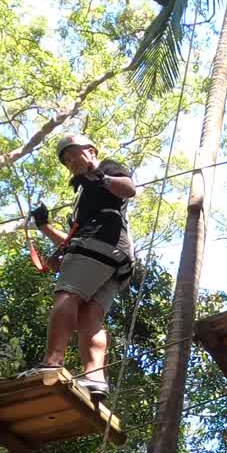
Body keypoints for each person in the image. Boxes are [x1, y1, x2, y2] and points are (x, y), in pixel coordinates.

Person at [20, 134, 137, 403]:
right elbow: (75, 238)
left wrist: (99, 175)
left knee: (67, 296)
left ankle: (52, 362)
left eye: (74, 154)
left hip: (101, 244)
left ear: (91, 151)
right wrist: (45, 227)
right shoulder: (84, 194)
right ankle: (95, 378)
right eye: (66, 160)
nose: (71, 161)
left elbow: (129, 189)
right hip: (114, 258)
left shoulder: (106, 168)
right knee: (90, 317)